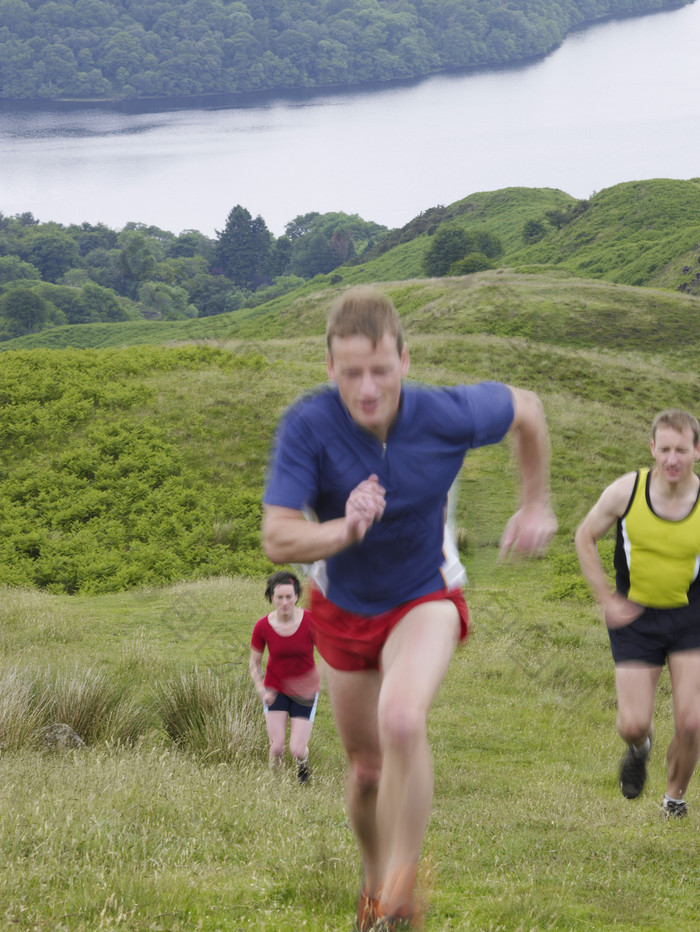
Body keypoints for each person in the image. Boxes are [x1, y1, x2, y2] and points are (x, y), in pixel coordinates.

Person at [262, 285, 557, 931]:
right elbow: (278, 535)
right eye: (351, 373)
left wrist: (534, 502)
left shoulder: (445, 413)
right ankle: (373, 884)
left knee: (402, 719)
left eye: (381, 370)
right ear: (330, 370)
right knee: (366, 771)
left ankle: (402, 888)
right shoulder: (309, 427)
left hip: (425, 595)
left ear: (404, 358)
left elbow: (528, 410)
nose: (367, 389)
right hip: (342, 608)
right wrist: (343, 530)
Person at [575, 409, 700, 818]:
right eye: (664, 449)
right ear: (652, 449)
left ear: (696, 451)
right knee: (632, 723)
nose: (672, 459)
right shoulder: (627, 491)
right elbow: (585, 536)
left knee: (691, 720)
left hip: (690, 620)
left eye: (681, 450)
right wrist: (606, 598)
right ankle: (638, 748)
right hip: (636, 620)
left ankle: (674, 800)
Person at [249, 570, 320, 783]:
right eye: (279, 597)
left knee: (297, 750)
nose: (285, 602)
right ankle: (277, 787)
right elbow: (254, 662)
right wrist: (261, 688)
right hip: (275, 688)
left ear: (297, 596)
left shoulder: (311, 621)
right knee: (277, 748)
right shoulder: (262, 626)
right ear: (271, 597)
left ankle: (303, 768)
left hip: (305, 691)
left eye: (289, 597)